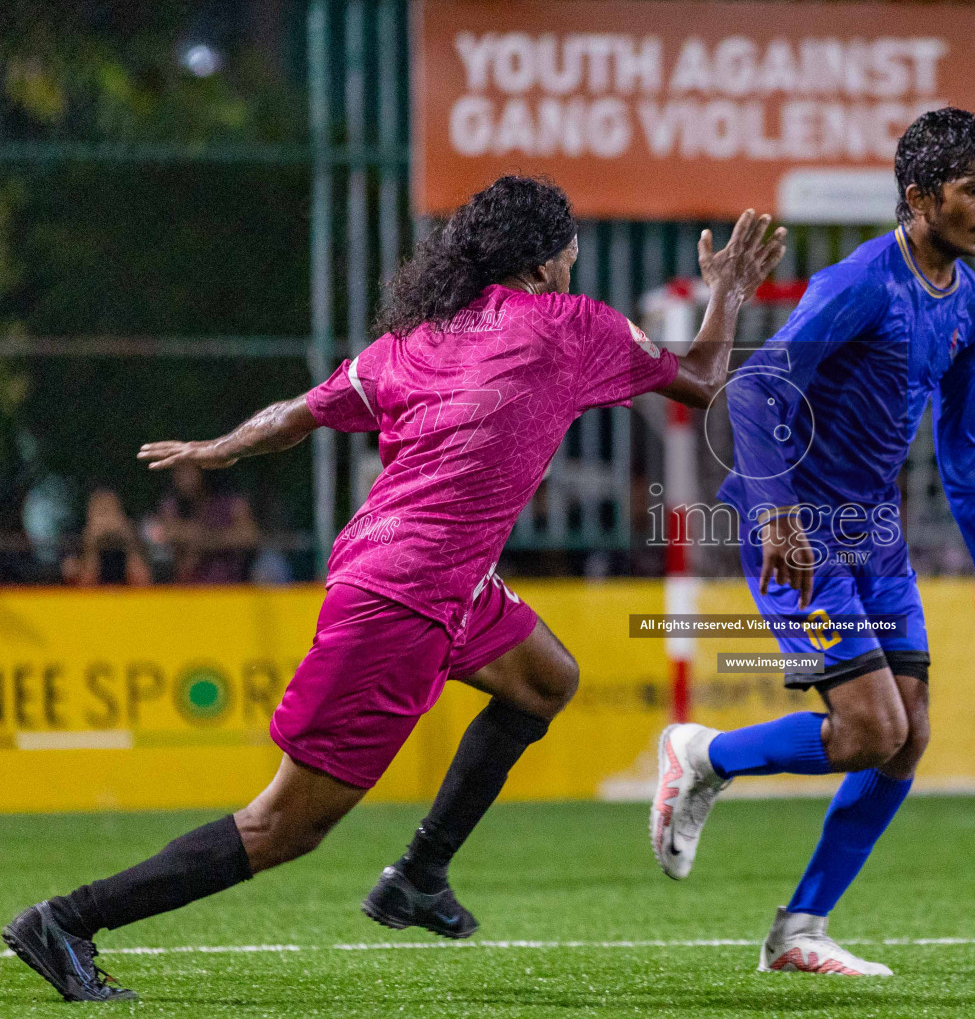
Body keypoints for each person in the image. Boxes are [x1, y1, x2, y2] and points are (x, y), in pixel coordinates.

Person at [1, 175, 786, 1002]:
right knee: (283, 826)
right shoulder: (572, 325)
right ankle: (65, 920)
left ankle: (419, 875)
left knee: (547, 678)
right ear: (551, 260)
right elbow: (701, 378)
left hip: (426, 576)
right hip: (404, 598)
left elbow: (299, 412)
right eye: (571, 251)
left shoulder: (418, 338)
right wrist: (727, 293)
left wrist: (223, 446)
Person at [647, 108, 975, 977]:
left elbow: (966, 456)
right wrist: (775, 513)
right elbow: (753, 394)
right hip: (796, 526)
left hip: (875, 536)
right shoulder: (862, 282)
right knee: (868, 731)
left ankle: (800, 932)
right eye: (974, 189)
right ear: (918, 197)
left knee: (909, 735)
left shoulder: (972, 308)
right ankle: (703, 757)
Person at [148, 465, 260, 582]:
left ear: (205, 471)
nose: (183, 477)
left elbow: (250, 537)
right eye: (178, 471)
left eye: (189, 470)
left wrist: (205, 538)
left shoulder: (232, 503)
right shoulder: (171, 506)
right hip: (185, 589)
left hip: (228, 587)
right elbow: (163, 534)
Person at [61, 488, 152, 587]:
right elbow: (83, 587)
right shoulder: (74, 540)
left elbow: (143, 584)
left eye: (110, 510)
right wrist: (92, 545)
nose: (106, 518)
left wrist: (128, 543)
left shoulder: (132, 538)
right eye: (100, 511)